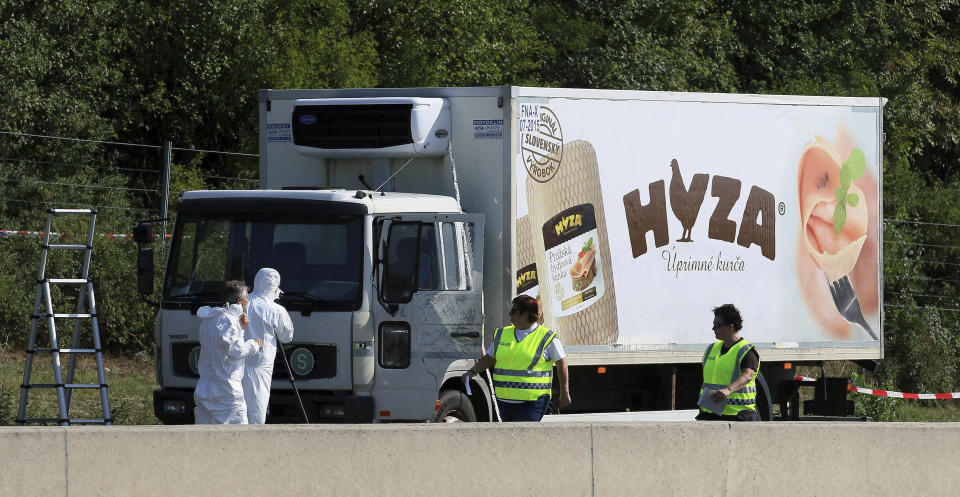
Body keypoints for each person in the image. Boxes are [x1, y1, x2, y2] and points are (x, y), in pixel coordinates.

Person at [463, 295, 571, 422]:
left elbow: (561, 363)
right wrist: (471, 372)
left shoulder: (547, 338)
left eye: (513, 311)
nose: (510, 315)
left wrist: (565, 392)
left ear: (525, 315)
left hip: (533, 402)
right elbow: (489, 359)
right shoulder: (502, 334)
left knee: (525, 437)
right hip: (504, 401)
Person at [194, 280, 263, 424]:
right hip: (226, 391)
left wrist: (240, 328)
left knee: (205, 436)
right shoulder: (229, 321)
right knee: (236, 435)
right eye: (246, 299)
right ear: (239, 300)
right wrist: (254, 345)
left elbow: (221, 346)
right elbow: (235, 351)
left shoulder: (210, 318)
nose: (247, 303)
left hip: (204, 389)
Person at [242, 268, 295, 424]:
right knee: (257, 410)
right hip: (260, 368)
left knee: (237, 410)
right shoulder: (276, 310)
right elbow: (287, 337)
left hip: (236, 366)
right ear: (275, 287)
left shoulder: (243, 302)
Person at [696, 303, 760, 421]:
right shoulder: (711, 349)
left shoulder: (746, 351)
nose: (713, 329)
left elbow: (748, 375)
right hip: (710, 414)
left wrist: (728, 390)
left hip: (738, 416)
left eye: (717, 325)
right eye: (713, 325)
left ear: (730, 327)